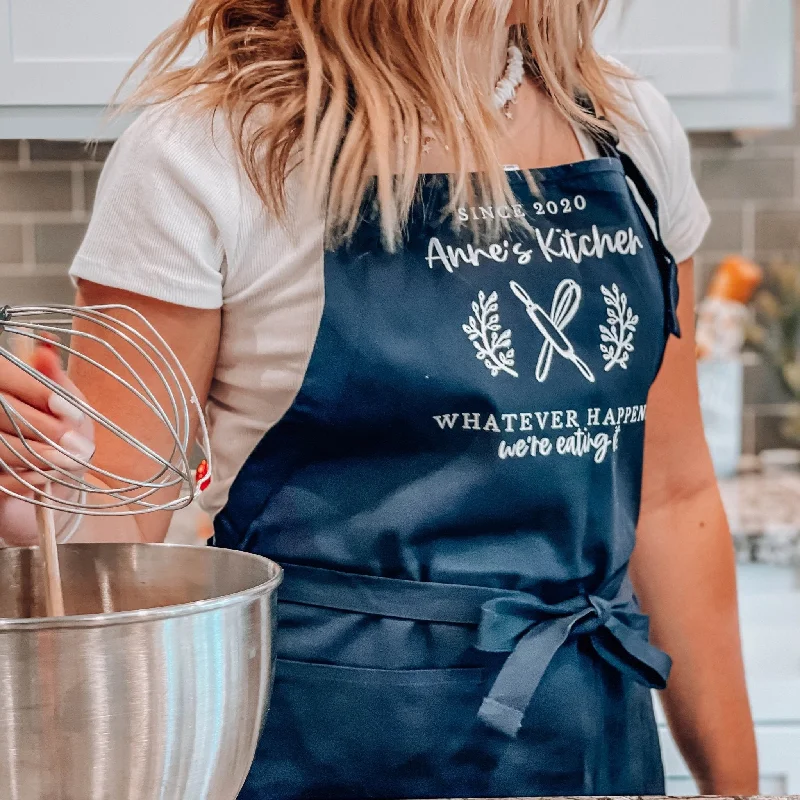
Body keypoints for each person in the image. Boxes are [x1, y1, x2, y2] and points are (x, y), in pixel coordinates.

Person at [0, 0, 758, 797]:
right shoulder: (204, 154)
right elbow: (116, 532)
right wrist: (28, 503)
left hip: (587, 738)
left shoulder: (628, 129)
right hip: (319, 749)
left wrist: (734, 786)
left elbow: (673, 498)